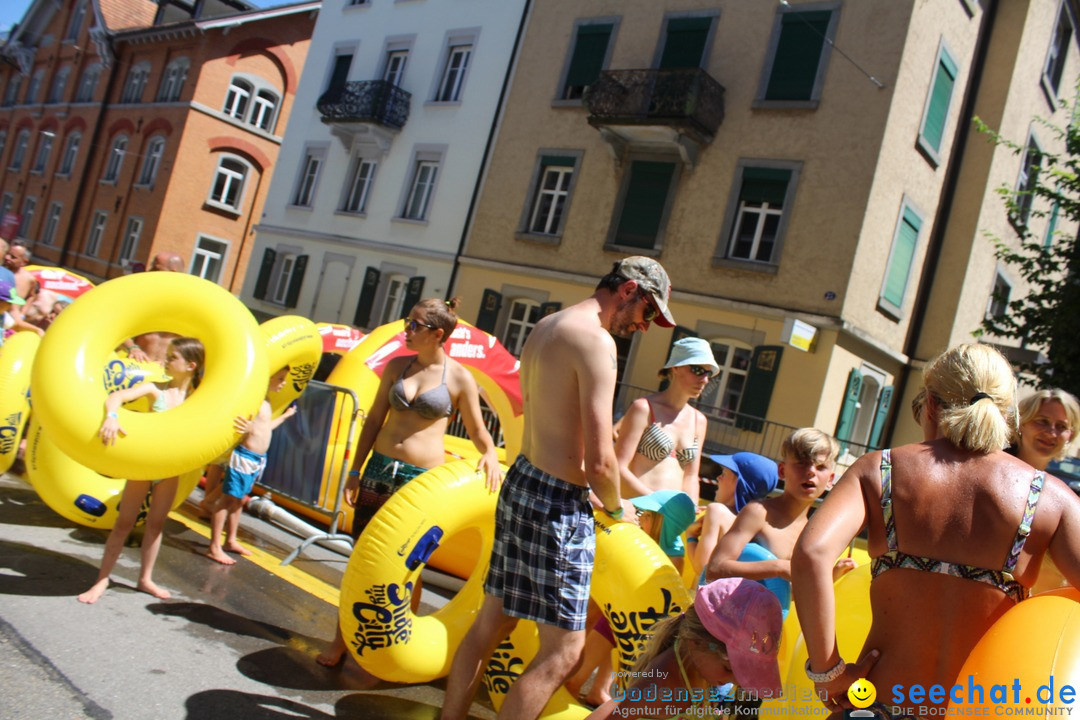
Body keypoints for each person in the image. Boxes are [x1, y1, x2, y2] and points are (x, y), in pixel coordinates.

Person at [440, 256, 675, 720]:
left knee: (492, 623)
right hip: (557, 504)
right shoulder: (596, 342)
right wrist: (617, 507)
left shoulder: (549, 323)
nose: (646, 327)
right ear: (629, 291)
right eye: (649, 313)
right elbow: (601, 459)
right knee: (564, 653)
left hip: (523, 479)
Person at [791, 343, 1080, 716]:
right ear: (1008, 414)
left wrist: (827, 671)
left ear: (930, 404)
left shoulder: (881, 470)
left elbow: (812, 553)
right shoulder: (1052, 499)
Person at [315, 297, 502, 667]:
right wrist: (355, 471)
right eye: (407, 322)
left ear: (437, 334)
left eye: (415, 325)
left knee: (408, 570)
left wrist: (492, 454)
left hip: (420, 484)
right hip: (380, 472)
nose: (407, 330)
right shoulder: (397, 366)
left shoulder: (460, 378)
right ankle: (340, 643)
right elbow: (373, 422)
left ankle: (396, 651)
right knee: (361, 562)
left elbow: (480, 432)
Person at [78, 337, 205, 604]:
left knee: (156, 525)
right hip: (145, 465)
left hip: (170, 468)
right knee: (124, 523)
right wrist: (112, 417)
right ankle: (102, 579)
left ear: (190, 365)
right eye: (168, 356)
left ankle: (145, 579)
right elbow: (116, 397)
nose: (166, 361)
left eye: (173, 357)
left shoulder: (200, 399)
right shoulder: (155, 390)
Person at [566, 489, 697, 709]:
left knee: (621, 687)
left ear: (661, 521)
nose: (639, 516)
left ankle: (593, 694)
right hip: (616, 618)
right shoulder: (638, 537)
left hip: (637, 627)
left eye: (646, 514)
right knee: (580, 674)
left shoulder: (671, 557)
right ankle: (585, 692)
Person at [585, 577, 784, 720]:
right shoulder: (662, 684)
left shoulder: (702, 668)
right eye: (730, 669)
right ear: (696, 641)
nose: (736, 680)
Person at [615, 337, 716, 563]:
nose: (705, 379)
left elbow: (691, 476)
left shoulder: (699, 420)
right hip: (638, 514)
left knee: (665, 595)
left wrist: (686, 511)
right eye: (698, 369)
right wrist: (656, 503)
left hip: (672, 525)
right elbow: (618, 467)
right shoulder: (644, 408)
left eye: (709, 373)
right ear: (676, 367)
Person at [202, 366, 296, 565]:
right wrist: (247, 428)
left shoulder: (267, 401)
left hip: (255, 459)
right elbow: (241, 419)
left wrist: (284, 417)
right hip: (244, 457)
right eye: (280, 378)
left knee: (238, 501)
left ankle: (230, 540)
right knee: (227, 501)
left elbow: (264, 428)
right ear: (266, 378)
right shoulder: (254, 400)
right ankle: (214, 546)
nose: (284, 383)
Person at [686, 452, 779, 577]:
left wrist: (690, 535)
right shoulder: (760, 522)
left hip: (703, 595)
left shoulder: (717, 511)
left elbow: (703, 569)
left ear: (739, 483)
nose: (718, 478)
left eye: (724, 473)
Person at [122, 251, 186, 363]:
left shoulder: (189, 303)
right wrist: (132, 348)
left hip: (168, 372)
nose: (150, 271)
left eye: (156, 268)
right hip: (138, 366)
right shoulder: (141, 296)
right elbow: (119, 326)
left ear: (172, 272)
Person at [1007, 388, 1080, 471]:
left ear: (1071, 435)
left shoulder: (1051, 483)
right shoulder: (993, 466)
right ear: (1020, 422)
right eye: (1043, 421)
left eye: (1061, 426)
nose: (1051, 433)